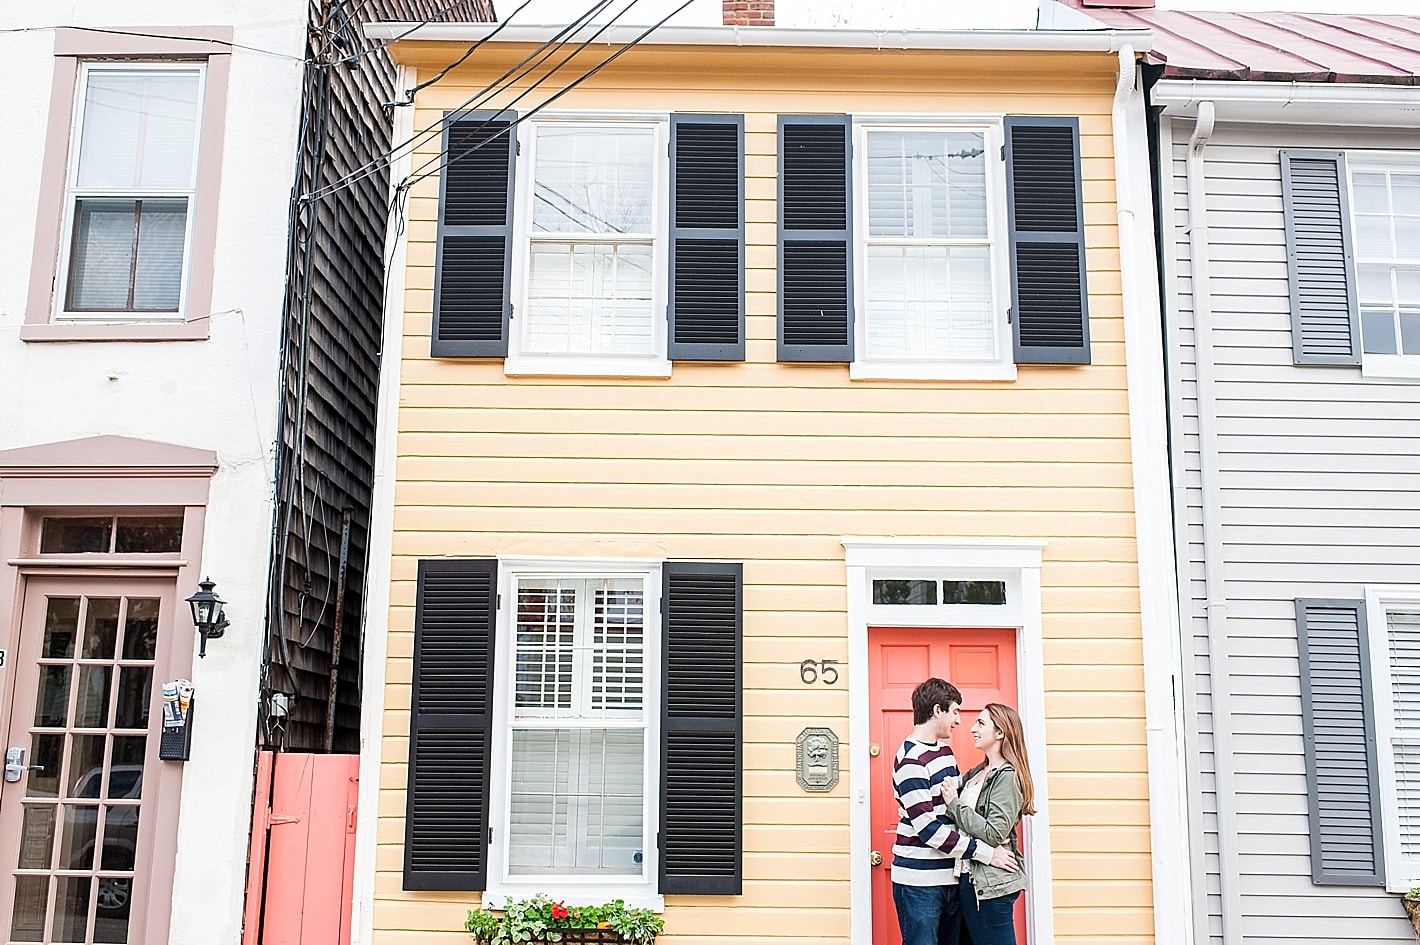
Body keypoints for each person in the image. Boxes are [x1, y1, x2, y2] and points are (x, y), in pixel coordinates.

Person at [892, 678, 1019, 945]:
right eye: (955, 711)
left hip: (953, 877)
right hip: (920, 884)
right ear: (937, 710)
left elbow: (955, 801)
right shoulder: (910, 761)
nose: (959, 721)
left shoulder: (944, 752)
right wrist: (987, 853)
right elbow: (929, 830)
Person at [940, 703, 1035, 945]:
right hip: (968, 878)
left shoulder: (1007, 777)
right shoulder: (978, 772)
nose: (972, 728)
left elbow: (994, 833)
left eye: (981, 724)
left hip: (990, 885)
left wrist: (954, 803)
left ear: (1001, 733)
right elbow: (946, 801)